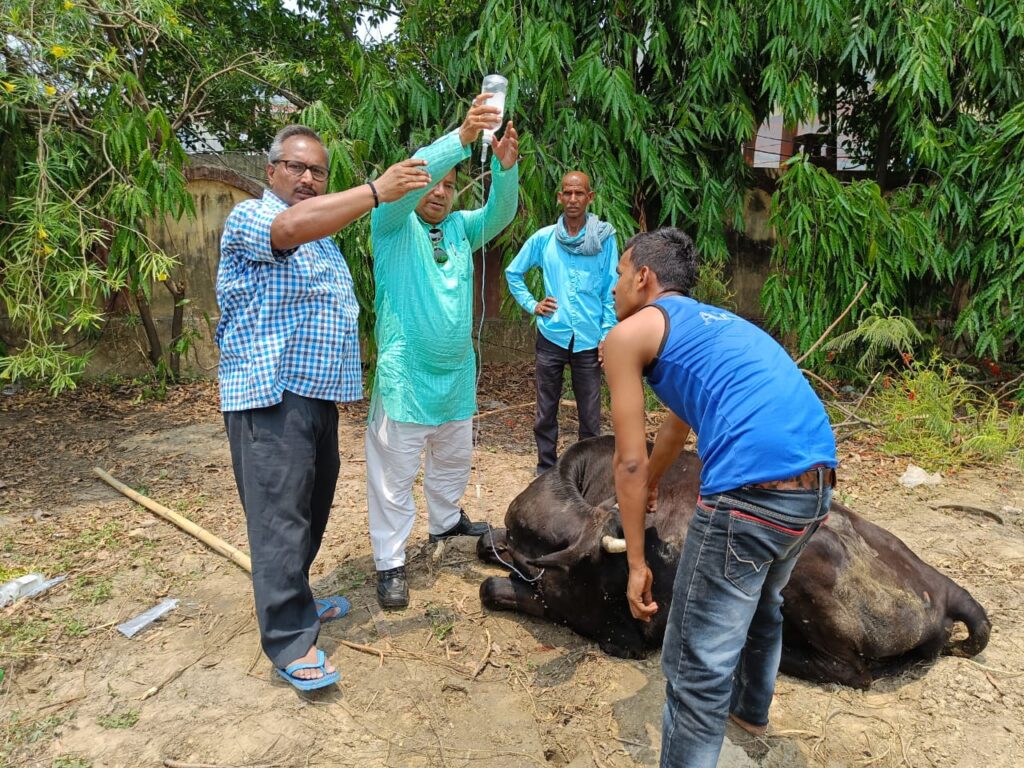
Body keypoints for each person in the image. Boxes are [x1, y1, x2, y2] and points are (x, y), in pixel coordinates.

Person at [602, 228, 837, 767]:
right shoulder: (716, 328)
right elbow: (675, 429)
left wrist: (636, 561)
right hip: (815, 488)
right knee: (764, 603)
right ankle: (751, 710)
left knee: (694, 666)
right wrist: (659, 480)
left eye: (618, 274)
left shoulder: (627, 336)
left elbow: (629, 460)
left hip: (750, 497)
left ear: (644, 278)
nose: (613, 288)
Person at [216, 125, 430, 691]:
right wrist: (376, 191)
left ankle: (298, 601)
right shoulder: (254, 219)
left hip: (316, 397)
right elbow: (288, 228)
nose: (307, 179)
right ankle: (289, 642)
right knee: (279, 516)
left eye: (317, 171)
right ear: (271, 172)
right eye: (295, 167)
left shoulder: (325, 239)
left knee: (309, 505)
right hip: (270, 395)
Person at [367, 94, 520, 609]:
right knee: (393, 478)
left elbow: (500, 213)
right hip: (407, 378)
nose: (442, 191)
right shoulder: (391, 226)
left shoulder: (458, 230)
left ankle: (444, 521)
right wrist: (460, 140)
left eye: (452, 186)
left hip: (455, 376)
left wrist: (505, 171)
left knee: (453, 458)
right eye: (435, 182)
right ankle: (390, 562)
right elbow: (414, 175)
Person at [505, 171, 618, 475]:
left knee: (590, 417)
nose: (572, 199)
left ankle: (588, 475)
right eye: (567, 193)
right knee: (545, 411)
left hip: (588, 340)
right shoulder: (544, 239)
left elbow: (611, 289)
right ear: (559, 197)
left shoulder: (605, 239)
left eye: (579, 193)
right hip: (552, 336)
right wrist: (533, 304)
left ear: (589, 197)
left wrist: (606, 335)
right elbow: (513, 273)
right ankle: (546, 470)